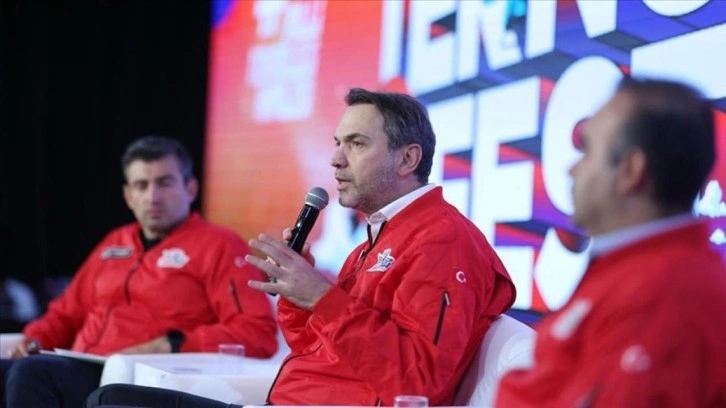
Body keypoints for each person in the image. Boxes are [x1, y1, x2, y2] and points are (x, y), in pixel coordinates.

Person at [85, 88, 516, 407]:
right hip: (291, 398)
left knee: (113, 401)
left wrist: (322, 297)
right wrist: (296, 292)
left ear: (407, 159)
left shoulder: (442, 240)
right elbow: (312, 346)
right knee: (108, 395)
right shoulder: (380, 236)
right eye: (337, 143)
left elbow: (418, 383)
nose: (336, 159)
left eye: (356, 144)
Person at [496, 78, 726, 407]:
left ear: (631, 170)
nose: (572, 169)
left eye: (587, 150)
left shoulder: (664, 296)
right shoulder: (633, 273)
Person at [0, 136, 278, 408]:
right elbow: (66, 312)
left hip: (143, 379)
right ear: (128, 196)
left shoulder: (220, 245)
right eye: (141, 185)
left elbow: (257, 334)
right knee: (12, 369)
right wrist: (35, 338)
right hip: (82, 363)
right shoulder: (115, 242)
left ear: (191, 189)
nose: (152, 197)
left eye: (164, 183)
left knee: (32, 374)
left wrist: (172, 344)